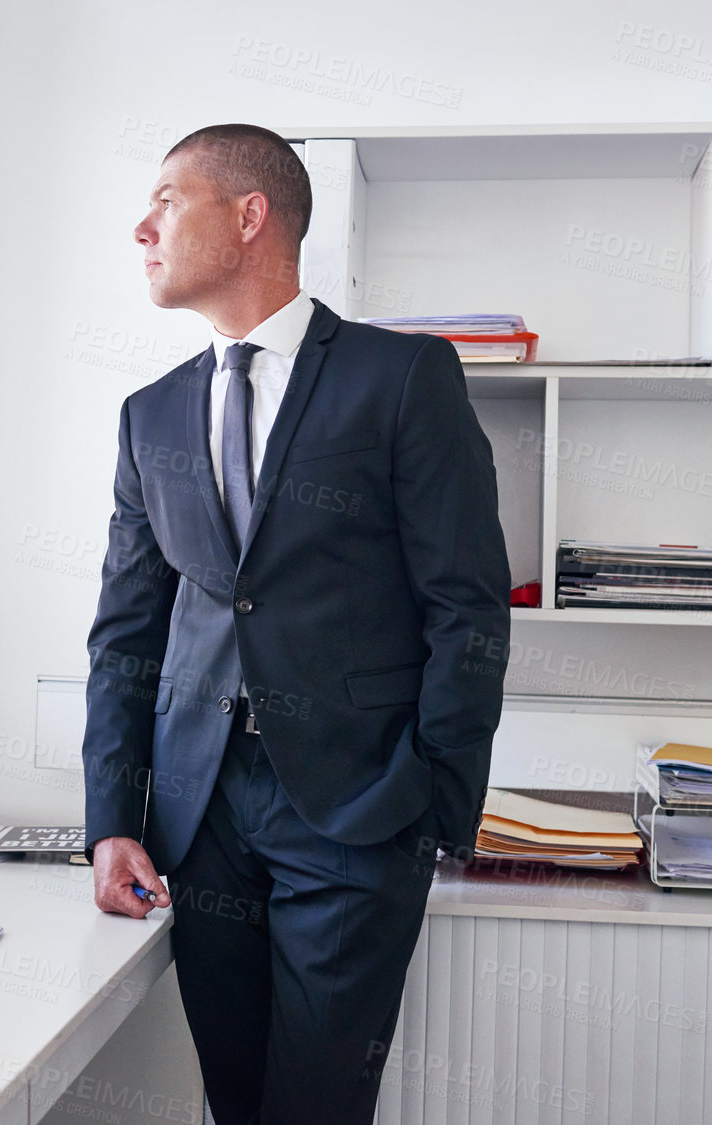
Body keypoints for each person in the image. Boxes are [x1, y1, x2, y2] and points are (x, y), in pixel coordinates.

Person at [80, 122, 511, 1125]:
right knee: (235, 1105)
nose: (141, 228)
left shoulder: (401, 379)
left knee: (316, 1109)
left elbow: (466, 604)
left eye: (166, 200)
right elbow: (126, 636)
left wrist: (435, 800)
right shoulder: (150, 416)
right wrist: (111, 822)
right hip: (200, 821)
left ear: (249, 214)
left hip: (357, 815)